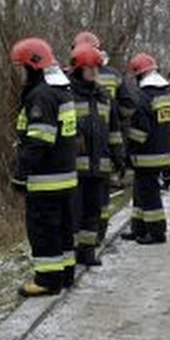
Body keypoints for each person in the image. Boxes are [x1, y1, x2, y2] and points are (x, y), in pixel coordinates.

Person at [9, 38, 79, 297]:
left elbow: (39, 140)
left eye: (22, 67)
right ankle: (66, 274)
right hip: (65, 177)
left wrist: (20, 174)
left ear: (33, 65)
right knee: (63, 229)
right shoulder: (63, 90)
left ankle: (48, 281)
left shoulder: (41, 96)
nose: (21, 73)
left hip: (45, 179)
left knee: (43, 230)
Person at [66, 43, 122, 267]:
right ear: (78, 69)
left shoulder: (104, 96)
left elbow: (114, 131)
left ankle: (87, 252)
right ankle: (71, 252)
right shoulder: (68, 95)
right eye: (89, 68)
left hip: (100, 166)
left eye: (96, 68)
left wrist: (119, 158)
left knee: (93, 211)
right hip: (75, 168)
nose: (94, 72)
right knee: (73, 213)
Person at [73, 30, 133, 241]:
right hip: (97, 153)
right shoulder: (114, 75)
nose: (92, 71)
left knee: (89, 205)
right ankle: (96, 237)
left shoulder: (67, 82)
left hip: (98, 152)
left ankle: (88, 246)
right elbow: (128, 108)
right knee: (98, 201)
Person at [123, 52, 170, 244]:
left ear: (139, 75)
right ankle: (138, 228)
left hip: (146, 154)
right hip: (162, 151)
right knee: (140, 190)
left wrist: (129, 150)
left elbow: (140, 130)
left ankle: (156, 232)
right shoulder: (164, 93)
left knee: (149, 194)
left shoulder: (144, 96)